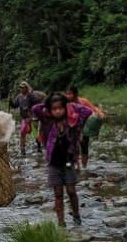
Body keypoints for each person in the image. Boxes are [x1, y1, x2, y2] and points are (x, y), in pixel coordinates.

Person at [33, 93, 93, 227]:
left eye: (60, 108)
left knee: (71, 191)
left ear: (65, 108)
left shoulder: (72, 122)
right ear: (50, 110)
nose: (58, 111)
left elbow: (87, 111)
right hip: (53, 164)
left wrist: (70, 104)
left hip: (68, 162)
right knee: (58, 194)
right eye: (54, 109)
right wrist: (46, 103)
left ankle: (76, 215)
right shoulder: (48, 122)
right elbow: (35, 109)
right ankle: (61, 222)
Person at [65, 86, 106, 170]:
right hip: (72, 128)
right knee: (74, 147)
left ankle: (84, 167)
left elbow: (93, 108)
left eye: (70, 94)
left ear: (75, 94)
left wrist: (100, 113)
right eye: (66, 94)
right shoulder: (66, 104)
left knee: (84, 146)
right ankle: (76, 166)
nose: (67, 96)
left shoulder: (83, 101)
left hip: (84, 127)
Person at [10, 81, 44, 156]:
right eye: (20, 88)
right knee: (22, 133)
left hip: (32, 117)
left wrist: (31, 95)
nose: (21, 89)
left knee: (35, 133)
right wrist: (10, 101)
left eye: (23, 88)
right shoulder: (19, 97)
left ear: (26, 88)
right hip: (24, 118)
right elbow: (14, 105)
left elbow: (38, 101)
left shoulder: (31, 96)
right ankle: (22, 150)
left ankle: (39, 147)